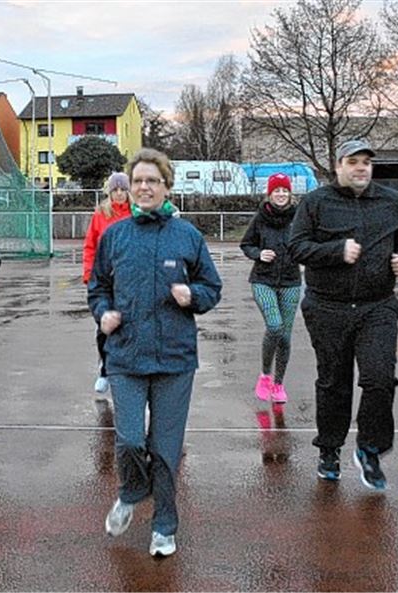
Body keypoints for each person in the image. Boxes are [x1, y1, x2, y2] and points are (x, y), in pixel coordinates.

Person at [88, 148, 222, 558]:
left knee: (165, 449)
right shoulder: (115, 235)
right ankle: (131, 492)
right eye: (137, 181)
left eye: (152, 181)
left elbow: (212, 289)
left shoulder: (188, 236)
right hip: (126, 356)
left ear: (166, 186)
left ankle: (164, 526)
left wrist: (192, 296)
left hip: (174, 359)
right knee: (128, 441)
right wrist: (103, 313)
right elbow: (98, 287)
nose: (143, 188)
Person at [288, 139, 398, 491]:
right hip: (328, 306)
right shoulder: (316, 203)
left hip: (378, 306)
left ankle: (370, 447)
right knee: (334, 381)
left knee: (380, 378)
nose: (361, 168)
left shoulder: (391, 202)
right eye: (353, 162)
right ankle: (329, 449)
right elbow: (296, 246)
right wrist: (335, 250)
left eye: (367, 163)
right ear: (338, 166)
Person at [240, 172, 302, 403]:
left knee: (285, 337)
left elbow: (307, 242)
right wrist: (258, 253)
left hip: (291, 281)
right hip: (262, 280)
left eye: (285, 190)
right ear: (269, 194)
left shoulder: (298, 218)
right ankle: (265, 374)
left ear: (290, 194)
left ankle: (278, 384)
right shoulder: (260, 218)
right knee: (275, 326)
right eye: (277, 190)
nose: (281, 194)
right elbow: (246, 244)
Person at [82, 172, 132, 397]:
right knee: (104, 326)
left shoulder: (136, 213)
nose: (119, 194)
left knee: (130, 324)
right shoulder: (101, 214)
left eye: (123, 190)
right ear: (109, 192)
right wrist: (89, 274)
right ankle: (104, 370)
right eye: (115, 190)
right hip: (104, 280)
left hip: (130, 280)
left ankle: (127, 370)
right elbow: (90, 246)